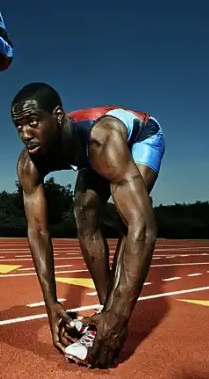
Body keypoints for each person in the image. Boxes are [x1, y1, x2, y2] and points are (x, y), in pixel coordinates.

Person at [11, 82, 165, 369]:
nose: (25, 134)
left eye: (32, 122)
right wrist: (51, 304)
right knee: (84, 213)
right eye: (18, 126)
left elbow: (143, 228)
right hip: (91, 153)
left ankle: (112, 316)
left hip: (142, 137)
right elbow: (37, 230)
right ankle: (104, 308)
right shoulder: (28, 164)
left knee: (129, 220)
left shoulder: (101, 140)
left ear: (58, 116)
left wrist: (119, 317)